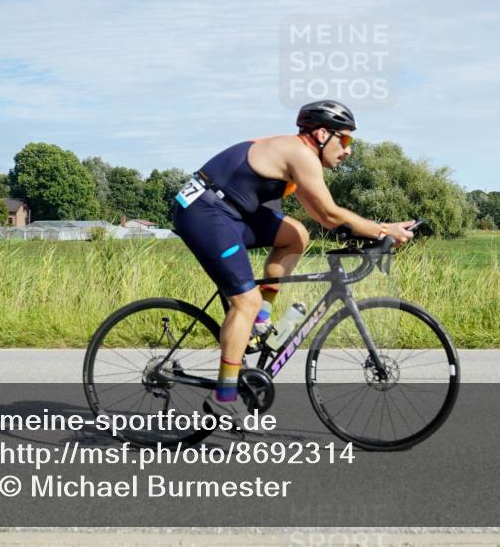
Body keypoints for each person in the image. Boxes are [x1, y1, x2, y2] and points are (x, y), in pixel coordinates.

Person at [171, 100, 416, 421]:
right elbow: (330, 214)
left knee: (296, 235)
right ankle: (224, 396)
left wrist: (366, 234)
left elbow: (321, 216)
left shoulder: (300, 157)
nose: (348, 150)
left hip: (228, 212)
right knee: (244, 300)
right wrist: (383, 229)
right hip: (204, 212)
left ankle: (261, 319)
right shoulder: (300, 154)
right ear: (322, 134)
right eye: (345, 140)